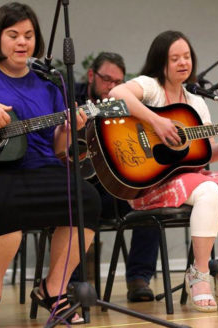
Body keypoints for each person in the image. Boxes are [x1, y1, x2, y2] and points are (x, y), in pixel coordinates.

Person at [0, 2, 101, 327]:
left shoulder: (49, 83)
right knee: (1, 198)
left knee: (87, 199)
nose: (22, 42)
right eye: (14, 34)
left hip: (43, 170)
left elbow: (60, 148)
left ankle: (53, 290)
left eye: (29, 35)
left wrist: (70, 127)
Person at [109, 30, 218, 312]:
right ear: (161, 62)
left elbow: (207, 152)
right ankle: (199, 275)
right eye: (175, 58)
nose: (183, 62)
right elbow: (116, 93)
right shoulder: (151, 86)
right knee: (208, 190)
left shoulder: (196, 103)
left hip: (187, 181)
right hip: (151, 183)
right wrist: (156, 121)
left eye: (186, 57)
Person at [73, 52, 158, 302]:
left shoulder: (126, 103)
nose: (111, 87)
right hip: (83, 187)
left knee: (148, 200)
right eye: (106, 80)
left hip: (115, 189)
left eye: (118, 82)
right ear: (91, 76)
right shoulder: (70, 99)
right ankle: (74, 285)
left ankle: (138, 279)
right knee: (77, 200)